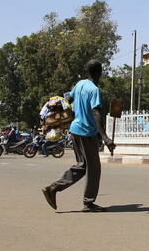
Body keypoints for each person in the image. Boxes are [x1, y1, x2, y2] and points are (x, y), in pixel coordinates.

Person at [41, 60, 115, 212]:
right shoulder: (94, 90)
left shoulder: (80, 84)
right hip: (87, 132)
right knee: (94, 169)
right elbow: (95, 113)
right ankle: (88, 203)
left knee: (82, 166)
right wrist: (105, 138)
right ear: (99, 72)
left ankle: (53, 188)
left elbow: (68, 99)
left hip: (75, 129)